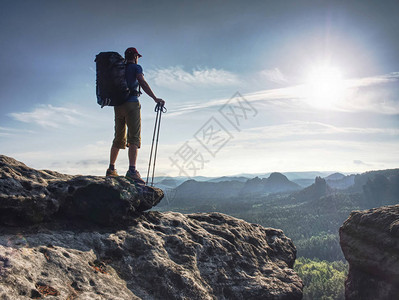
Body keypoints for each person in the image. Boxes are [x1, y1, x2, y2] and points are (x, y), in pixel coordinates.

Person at [106, 47, 165, 184]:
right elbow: (142, 82)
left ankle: (111, 169)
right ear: (135, 56)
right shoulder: (136, 67)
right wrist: (155, 99)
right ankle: (132, 171)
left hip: (118, 105)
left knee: (118, 136)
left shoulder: (119, 69)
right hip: (132, 104)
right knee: (134, 137)